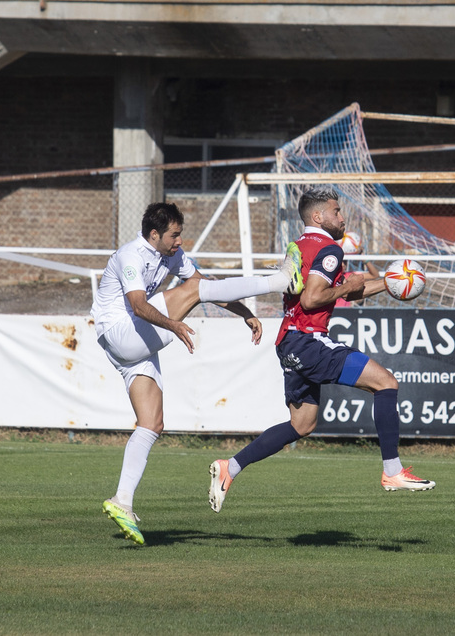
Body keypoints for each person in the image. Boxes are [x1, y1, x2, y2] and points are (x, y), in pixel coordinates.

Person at [207, 187, 434, 513]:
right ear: (318, 216)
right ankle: (393, 472)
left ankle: (232, 466)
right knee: (386, 383)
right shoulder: (328, 248)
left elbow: (335, 292)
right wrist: (347, 286)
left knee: (302, 425)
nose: (342, 217)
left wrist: (388, 282)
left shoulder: (300, 246)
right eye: (337, 211)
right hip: (309, 340)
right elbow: (314, 298)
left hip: (289, 342)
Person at [92, 201, 303, 545]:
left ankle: (122, 501)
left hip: (131, 345)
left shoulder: (171, 255)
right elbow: (138, 305)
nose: (179, 242)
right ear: (154, 234)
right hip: (122, 332)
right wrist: (173, 324)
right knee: (189, 291)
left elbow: (207, 285)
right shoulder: (131, 254)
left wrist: (243, 312)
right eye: (174, 235)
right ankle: (280, 279)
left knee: (151, 423)